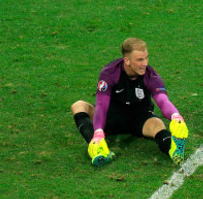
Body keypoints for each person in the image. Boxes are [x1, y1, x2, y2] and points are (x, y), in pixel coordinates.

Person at [71, 38, 188, 166]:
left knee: (158, 124)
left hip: (139, 119)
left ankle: (173, 149)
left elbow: (163, 101)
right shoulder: (109, 73)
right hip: (112, 117)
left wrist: (175, 116)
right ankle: (97, 149)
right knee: (79, 106)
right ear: (127, 60)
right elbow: (101, 106)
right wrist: (98, 131)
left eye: (146, 58)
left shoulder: (151, 76)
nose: (145, 64)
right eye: (140, 60)